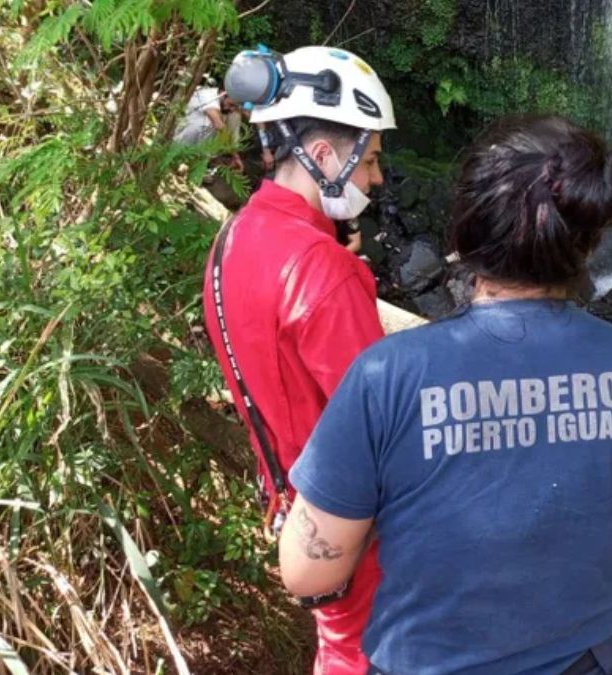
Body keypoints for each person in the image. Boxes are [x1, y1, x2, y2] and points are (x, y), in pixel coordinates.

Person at [279, 115, 612, 674]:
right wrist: (594, 507)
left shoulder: (385, 376)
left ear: (466, 230)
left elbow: (307, 572)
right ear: (586, 240)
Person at [201, 45, 395, 675]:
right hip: (358, 534)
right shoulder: (323, 272)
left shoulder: (233, 237)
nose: (375, 180)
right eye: (368, 160)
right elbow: (383, 432)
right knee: (364, 655)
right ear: (320, 156)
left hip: (296, 510)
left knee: (338, 647)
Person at [174, 83, 243, 170]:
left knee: (223, 123)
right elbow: (218, 125)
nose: (232, 109)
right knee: (213, 125)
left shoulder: (219, 103)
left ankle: (199, 165)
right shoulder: (208, 96)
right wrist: (235, 156)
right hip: (183, 137)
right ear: (223, 94)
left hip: (195, 139)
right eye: (231, 104)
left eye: (235, 106)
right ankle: (182, 159)